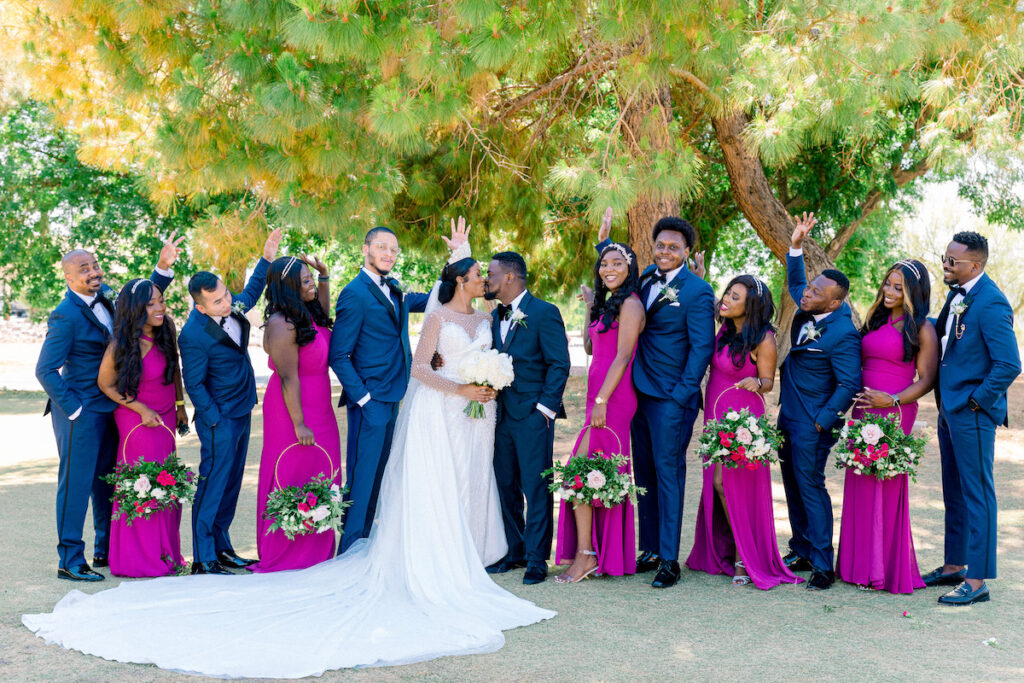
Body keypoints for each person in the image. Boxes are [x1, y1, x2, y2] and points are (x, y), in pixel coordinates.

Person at [23, 249, 555, 679]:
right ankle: (138, 553)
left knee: (300, 480)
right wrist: (81, 406)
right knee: (95, 485)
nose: (227, 300)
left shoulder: (291, 311)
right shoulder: (262, 323)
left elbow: (261, 300)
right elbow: (286, 372)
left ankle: (242, 548)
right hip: (262, 411)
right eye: (300, 278)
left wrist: (313, 274)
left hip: (299, 410)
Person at [35, 236, 181, 581]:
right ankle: (70, 560)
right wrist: (74, 410)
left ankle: (104, 548)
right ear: (69, 278)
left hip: (115, 409)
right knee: (76, 484)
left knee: (107, 483)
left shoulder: (108, 300)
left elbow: (141, 300)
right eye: (83, 269)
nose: (93, 272)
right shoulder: (65, 315)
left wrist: (162, 269)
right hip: (81, 413)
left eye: (95, 265)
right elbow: (45, 370)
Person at [329, 220, 468, 552]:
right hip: (371, 401)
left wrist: (456, 258)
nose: (388, 254)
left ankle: (365, 547)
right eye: (381, 247)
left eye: (393, 249)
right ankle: (349, 549)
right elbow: (339, 354)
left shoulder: (395, 289)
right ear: (365, 250)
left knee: (379, 475)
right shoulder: (354, 293)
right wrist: (363, 398)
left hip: (395, 396)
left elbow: (437, 296)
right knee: (362, 479)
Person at [594, 215, 715, 588]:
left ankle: (668, 559)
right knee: (643, 473)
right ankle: (647, 548)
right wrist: (604, 244)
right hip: (637, 393)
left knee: (668, 475)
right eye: (660, 245)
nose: (665, 252)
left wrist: (682, 394)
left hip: (671, 398)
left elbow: (702, 348)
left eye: (673, 247)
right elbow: (613, 269)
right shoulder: (645, 276)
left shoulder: (698, 291)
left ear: (686, 251)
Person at [685, 275, 803, 590]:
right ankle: (726, 550)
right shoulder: (724, 328)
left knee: (731, 484)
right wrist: (699, 279)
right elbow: (705, 305)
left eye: (735, 297)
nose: (726, 300)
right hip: (715, 411)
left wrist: (757, 383)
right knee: (716, 483)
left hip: (743, 418)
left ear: (749, 306)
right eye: (728, 293)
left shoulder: (762, 338)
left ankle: (743, 554)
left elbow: (768, 381)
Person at [922, 232, 1020, 606]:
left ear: (974, 266)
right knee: (955, 492)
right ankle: (953, 566)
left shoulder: (992, 303)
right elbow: (945, 335)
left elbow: (1009, 364)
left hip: (972, 413)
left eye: (952, 261)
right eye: (945, 258)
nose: (946, 265)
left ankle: (977, 581)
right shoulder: (957, 294)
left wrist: (976, 401)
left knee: (978, 495)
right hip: (950, 409)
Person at [178, 229, 280, 575]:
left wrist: (266, 258)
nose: (227, 303)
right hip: (218, 417)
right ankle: (203, 556)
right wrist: (214, 419)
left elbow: (250, 293)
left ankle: (222, 548)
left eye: (225, 295)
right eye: (218, 301)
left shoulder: (230, 305)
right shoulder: (192, 334)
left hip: (242, 407)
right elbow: (193, 382)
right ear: (199, 306)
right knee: (212, 482)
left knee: (233, 481)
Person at [836, 260, 937, 593]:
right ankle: (855, 566)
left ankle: (882, 570)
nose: (889, 292)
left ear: (913, 293)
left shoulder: (921, 327)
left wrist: (892, 400)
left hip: (895, 408)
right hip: (864, 408)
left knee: (885, 482)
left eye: (899, 288)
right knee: (860, 480)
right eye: (888, 284)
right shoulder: (874, 319)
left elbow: (926, 379)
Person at [778, 212, 862, 591]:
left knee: (810, 486)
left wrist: (822, 421)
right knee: (792, 484)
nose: (806, 293)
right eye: (810, 288)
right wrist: (795, 245)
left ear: (836, 301)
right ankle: (801, 548)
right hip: (788, 415)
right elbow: (796, 280)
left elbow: (849, 382)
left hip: (813, 421)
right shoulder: (811, 303)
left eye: (815, 292)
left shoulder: (843, 332)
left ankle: (823, 565)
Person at [555, 232, 644, 583]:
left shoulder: (631, 304)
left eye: (617, 263)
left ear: (630, 268)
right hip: (599, 393)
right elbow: (592, 348)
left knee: (581, 469)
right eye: (604, 264)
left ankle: (587, 555)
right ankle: (593, 552)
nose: (609, 269)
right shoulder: (608, 304)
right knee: (592, 472)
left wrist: (602, 401)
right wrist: (591, 305)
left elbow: (623, 356)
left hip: (615, 397)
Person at [484, 250, 571, 585]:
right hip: (499, 415)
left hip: (533, 416)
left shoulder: (544, 312)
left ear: (510, 276)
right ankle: (515, 552)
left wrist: (543, 411)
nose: (487, 279)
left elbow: (559, 364)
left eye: (491, 274)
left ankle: (537, 559)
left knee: (536, 487)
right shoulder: (493, 317)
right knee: (505, 485)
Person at [251, 255, 341, 572]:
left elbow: (324, 313)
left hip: (320, 403)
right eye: (305, 281)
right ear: (289, 288)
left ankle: (316, 549)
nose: (311, 285)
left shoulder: (307, 314)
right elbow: (289, 377)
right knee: (292, 472)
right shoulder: (281, 323)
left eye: (310, 279)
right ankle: (286, 552)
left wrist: (325, 276)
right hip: (292, 408)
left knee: (322, 472)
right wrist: (299, 423)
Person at [96, 279, 187, 577]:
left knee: (166, 483)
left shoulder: (166, 330)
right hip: (137, 419)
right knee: (144, 485)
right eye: (151, 304)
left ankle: (166, 554)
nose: (160, 307)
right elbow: (106, 384)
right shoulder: (121, 345)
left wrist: (180, 405)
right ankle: (139, 558)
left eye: (161, 300)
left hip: (165, 418)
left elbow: (173, 367)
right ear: (136, 309)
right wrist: (140, 408)